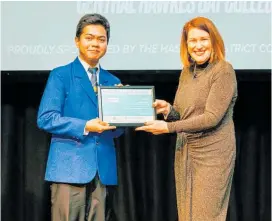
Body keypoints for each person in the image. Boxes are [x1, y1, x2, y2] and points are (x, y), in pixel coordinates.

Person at [136, 17, 237, 221]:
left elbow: (211, 118)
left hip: (212, 155)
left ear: (214, 41)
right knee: (186, 215)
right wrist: (168, 110)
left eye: (203, 39)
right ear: (186, 44)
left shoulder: (223, 70)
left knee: (205, 216)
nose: (198, 46)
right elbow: (184, 116)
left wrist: (168, 127)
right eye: (192, 41)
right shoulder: (186, 72)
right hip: (186, 151)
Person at [37, 14, 124, 221]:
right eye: (89, 37)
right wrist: (86, 126)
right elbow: (46, 118)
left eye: (101, 39)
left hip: (102, 171)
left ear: (107, 44)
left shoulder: (113, 81)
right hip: (69, 168)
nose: (95, 43)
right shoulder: (61, 75)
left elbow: (119, 131)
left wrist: (123, 112)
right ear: (77, 41)